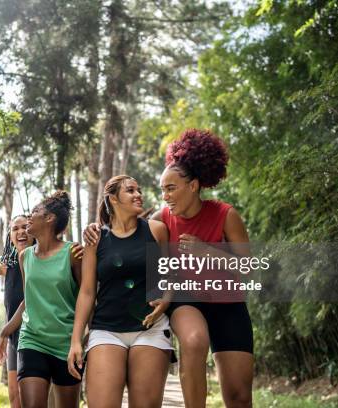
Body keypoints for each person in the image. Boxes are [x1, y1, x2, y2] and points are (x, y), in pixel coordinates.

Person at [85, 129, 254, 408]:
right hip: (186, 298)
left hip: (228, 302)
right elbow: (122, 235)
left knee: (239, 396)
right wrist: (94, 230)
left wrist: (208, 252)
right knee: (194, 339)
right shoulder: (161, 220)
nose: (165, 196)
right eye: (162, 189)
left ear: (194, 185)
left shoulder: (226, 214)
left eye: (171, 188)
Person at [68, 175, 172, 408]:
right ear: (113, 199)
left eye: (139, 190)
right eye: (130, 191)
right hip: (106, 330)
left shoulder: (156, 231)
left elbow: (169, 277)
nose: (139, 195)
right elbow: (86, 292)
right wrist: (76, 340)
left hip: (150, 329)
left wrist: (165, 302)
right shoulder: (96, 239)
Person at [0, 191, 83, 408]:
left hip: (65, 342)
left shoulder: (73, 253)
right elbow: (28, 301)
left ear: (50, 218)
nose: (28, 220)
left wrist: (80, 339)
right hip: (32, 340)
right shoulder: (25, 257)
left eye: (34, 213)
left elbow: (86, 297)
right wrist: (4, 332)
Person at [0, 215, 34, 408]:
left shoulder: (40, 258)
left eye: (25, 227)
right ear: (10, 236)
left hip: (36, 336)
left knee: (31, 396)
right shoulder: (6, 265)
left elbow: (30, 300)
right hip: (13, 337)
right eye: (15, 228)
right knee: (14, 396)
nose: (20, 232)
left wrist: (3, 333)